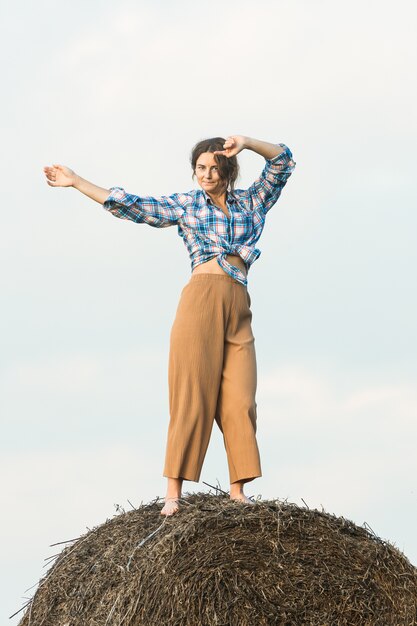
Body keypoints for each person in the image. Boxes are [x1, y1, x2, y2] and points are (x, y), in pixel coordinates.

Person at [43, 135, 296, 516]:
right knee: (192, 393)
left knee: (241, 400)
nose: (206, 175)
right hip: (201, 299)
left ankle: (238, 491)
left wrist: (245, 141)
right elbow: (133, 205)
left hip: (239, 303)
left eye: (214, 168)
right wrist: (77, 181)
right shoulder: (187, 204)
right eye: (200, 168)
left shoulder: (251, 202)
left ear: (228, 170)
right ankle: (173, 492)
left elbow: (283, 163)